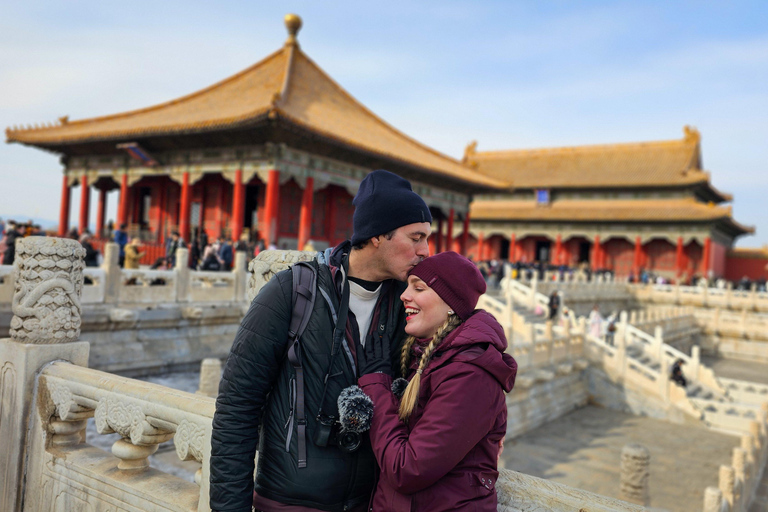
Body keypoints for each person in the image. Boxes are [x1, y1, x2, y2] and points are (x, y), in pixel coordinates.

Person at [210, 169, 433, 512]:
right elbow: (237, 407)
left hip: (368, 503)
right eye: (416, 237)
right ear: (377, 235)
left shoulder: (406, 306)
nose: (425, 250)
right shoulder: (294, 292)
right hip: (289, 502)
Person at [357, 251, 517, 511]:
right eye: (407, 286)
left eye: (418, 288)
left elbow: (406, 469)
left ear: (451, 303)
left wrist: (376, 385)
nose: (404, 296)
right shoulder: (423, 356)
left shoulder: (470, 375)